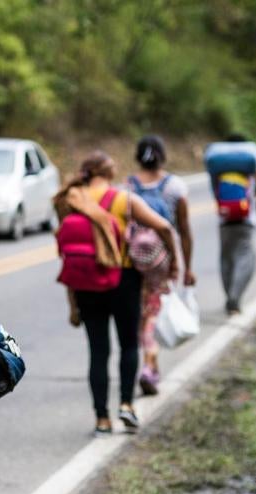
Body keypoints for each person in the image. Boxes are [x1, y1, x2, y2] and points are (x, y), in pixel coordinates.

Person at [57, 151, 178, 435]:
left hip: (85, 281)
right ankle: (127, 405)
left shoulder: (71, 198)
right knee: (128, 345)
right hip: (123, 278)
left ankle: (102, 419)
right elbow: (164, 227)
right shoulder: (124, 199)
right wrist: (172, 263)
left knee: (98, 351)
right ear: (110, 173)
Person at [128, 135, 195, 396]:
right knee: (154, 311)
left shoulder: (129, 186)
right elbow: (184, 230)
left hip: (132, 259)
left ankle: (146, 359)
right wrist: (185, 266)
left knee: (139, 311)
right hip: (160, 260)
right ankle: (149, 363)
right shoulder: (175, 187)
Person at [206, 134, 256, 315]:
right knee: (246, 257)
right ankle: (234, 297)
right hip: (246, 220)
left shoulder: (218, 167)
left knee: (226, 258)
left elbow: (214, 192)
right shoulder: (249, 166)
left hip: (224, 220)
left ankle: (229, 295)